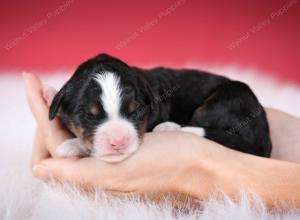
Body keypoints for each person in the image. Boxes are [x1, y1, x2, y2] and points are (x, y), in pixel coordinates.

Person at [23, 72, 300, 208]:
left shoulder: (149, 93)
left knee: (222, 117)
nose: (118, 137)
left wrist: (200, 164)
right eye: (91, 116)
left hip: (232, 101)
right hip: (247, 123)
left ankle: (207, 141)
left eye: (132, 114)